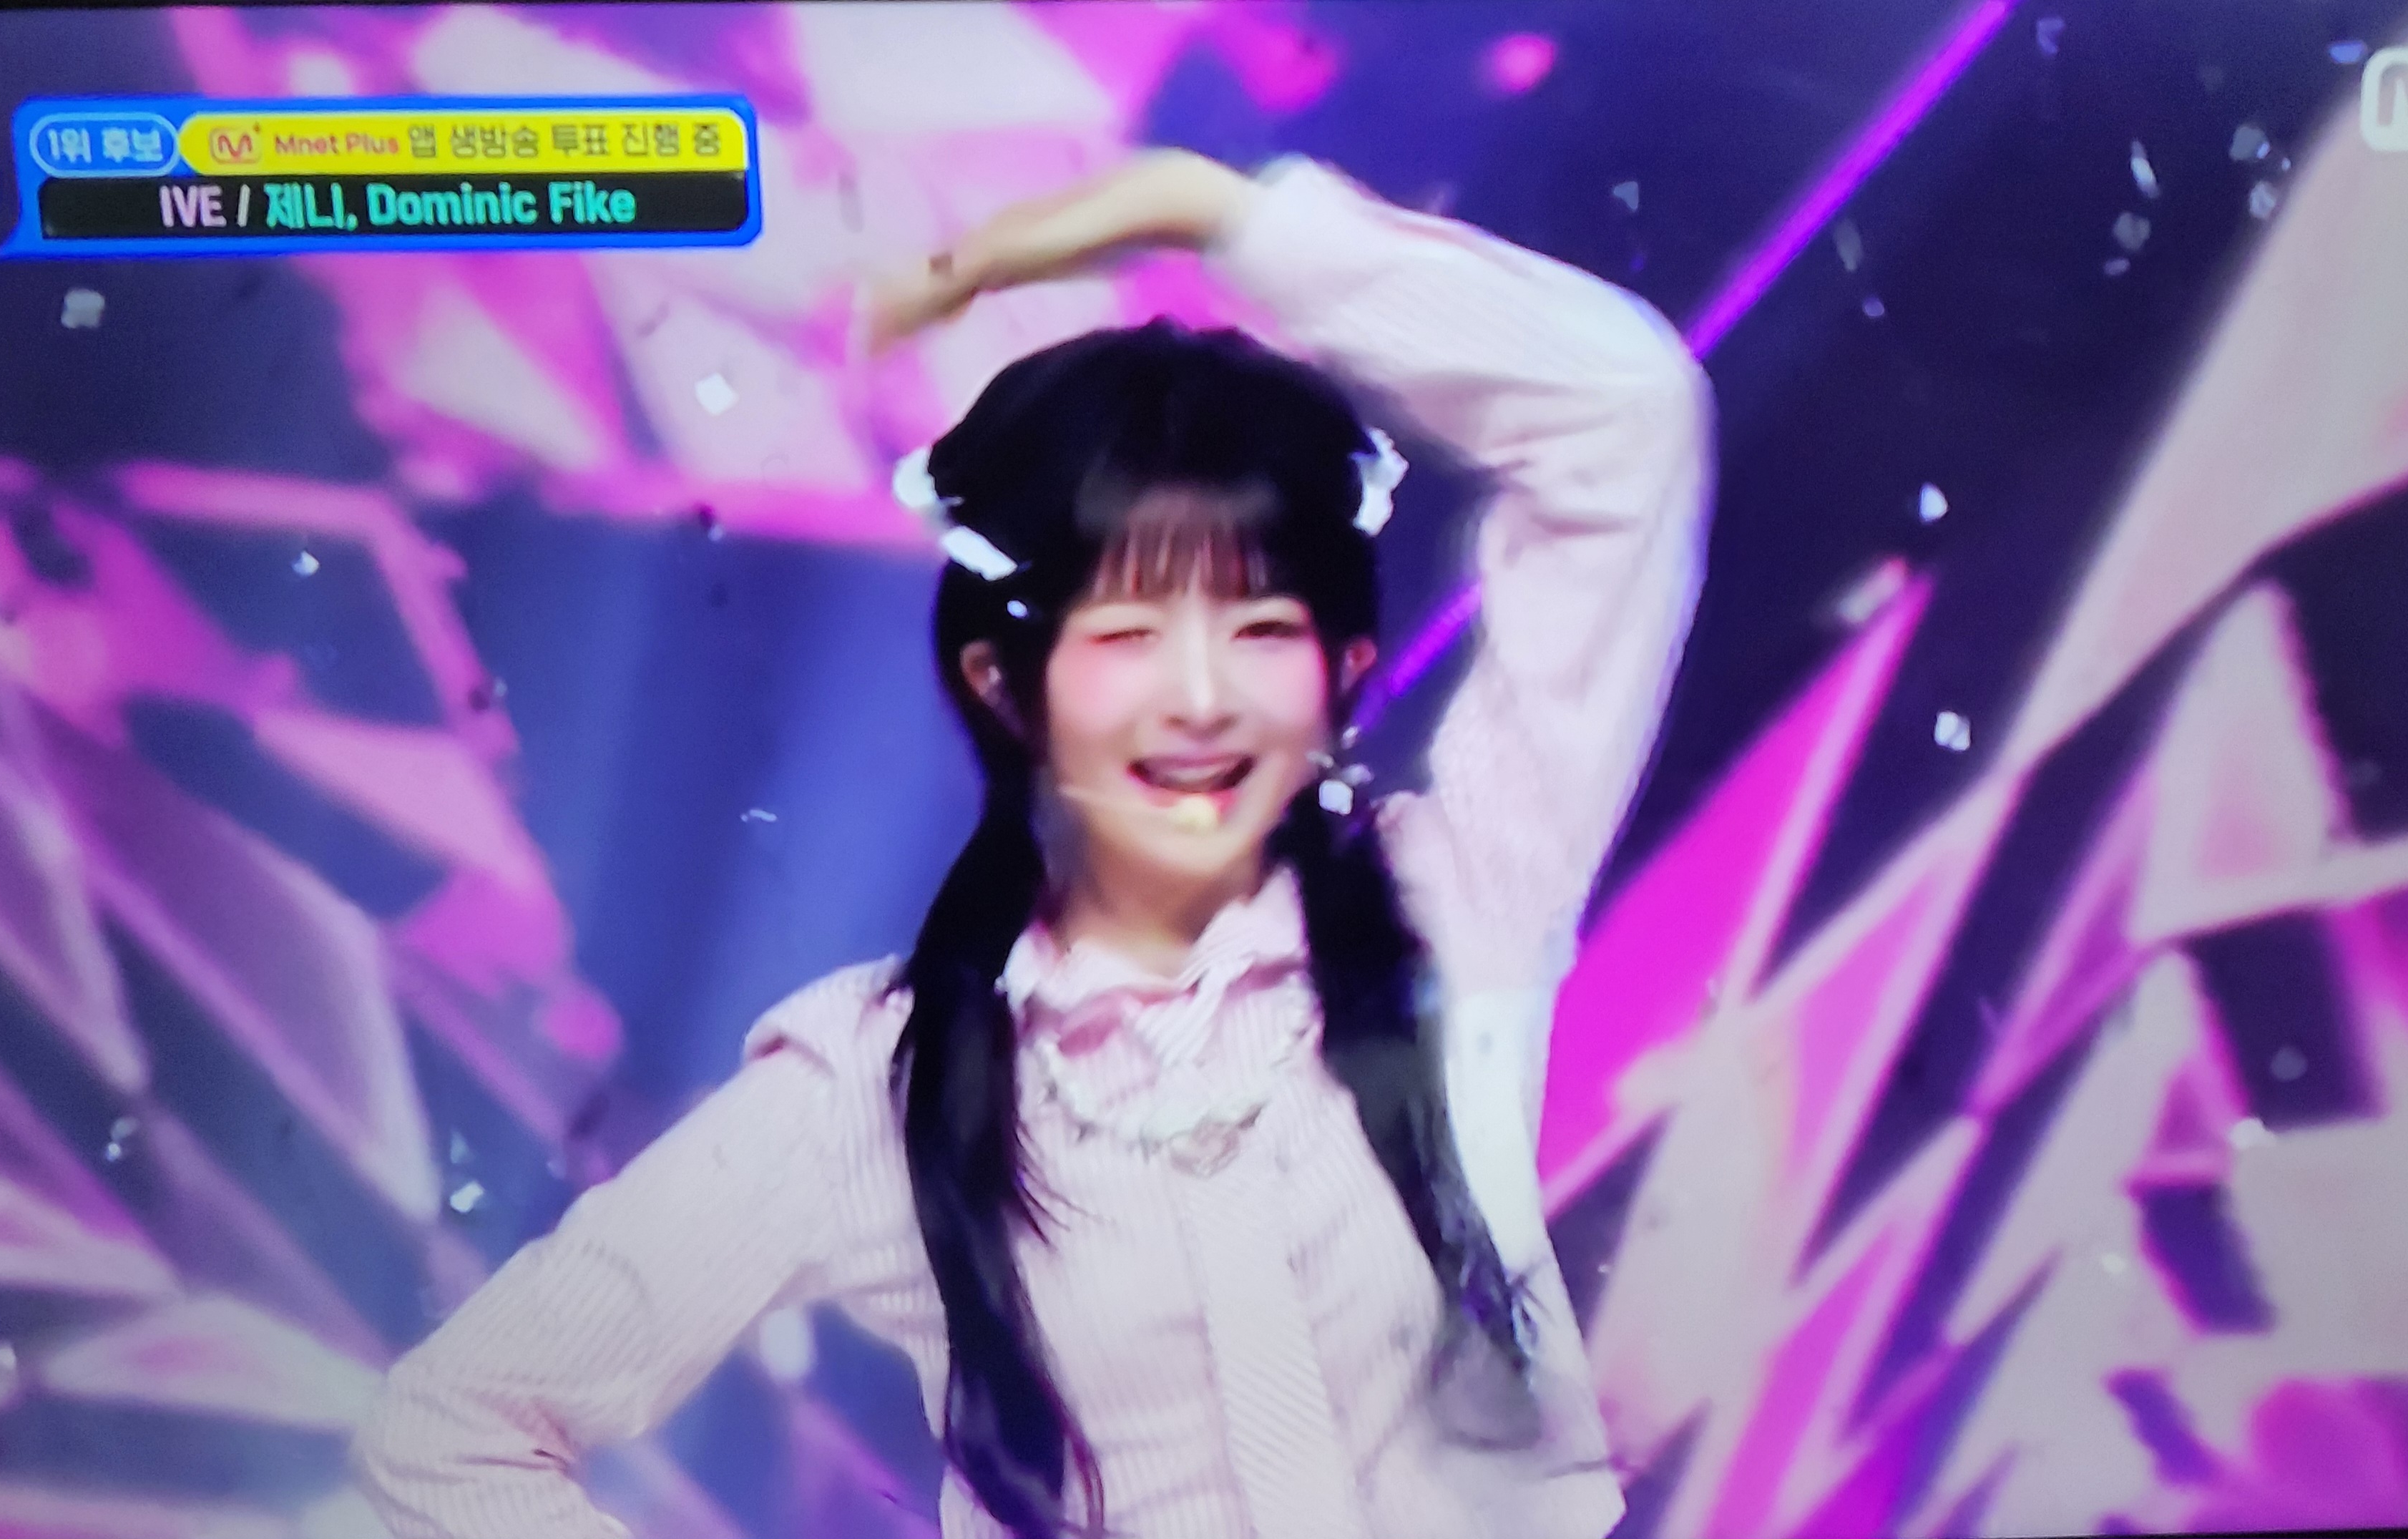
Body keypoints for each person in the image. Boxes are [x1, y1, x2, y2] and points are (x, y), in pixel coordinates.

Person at [352, 147, 1713, 1539]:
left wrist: (1214, 217)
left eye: (1262, 630)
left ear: (1343, 671)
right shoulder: (881, 1080)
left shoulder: (1452, 906)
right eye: (1128, 634)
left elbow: (1624, 419)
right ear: (1008, 683)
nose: (1201, 698)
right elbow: (456, 1430)